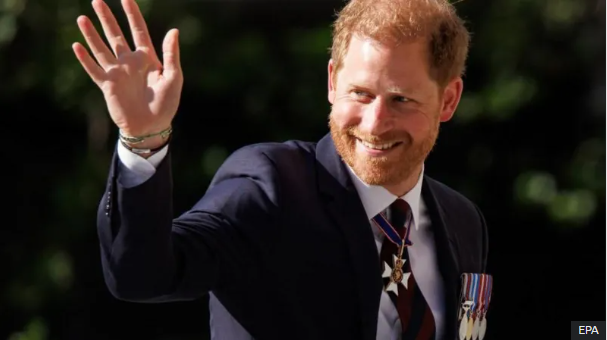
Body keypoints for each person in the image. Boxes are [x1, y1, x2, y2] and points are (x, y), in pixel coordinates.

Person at [73, 0, 493, 339]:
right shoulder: (270, 185)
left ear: (449, 100)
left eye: (401, 99)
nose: (374, 123)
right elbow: (142, 277)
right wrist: (143, 141)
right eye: (360, 93)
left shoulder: (462, 220)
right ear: (332, 81)